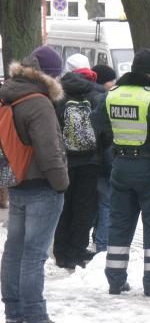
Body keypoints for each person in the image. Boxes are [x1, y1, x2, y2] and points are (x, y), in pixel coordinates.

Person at [92, 48, 150, 297]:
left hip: (120, 166)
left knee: (119, 223)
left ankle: (116, 281)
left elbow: (97, 123)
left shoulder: (112, 94)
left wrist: (117, 137)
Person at [0, 46, 69, 323]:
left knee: (14, 249)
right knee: (33, 255)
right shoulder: (38, 102)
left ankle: (14, 311)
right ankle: (35, 314)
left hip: (15, 181)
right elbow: (49, 149)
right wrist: (61, 183)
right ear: (50, 76)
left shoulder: (8, 94)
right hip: (41, 184)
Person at [53, 53, 101, 270]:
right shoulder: (95, 93)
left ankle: (61, 252)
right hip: (90, 160)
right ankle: (77, 251)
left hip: (65, 161)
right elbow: (103, 128)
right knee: (84, 208)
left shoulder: (56, 94)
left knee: (64, 206)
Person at [90, 64, 117, 253]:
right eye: (111, 80)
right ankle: (102, 245)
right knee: (106, 203)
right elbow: (106, 136)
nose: (114, 83)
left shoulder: (87, 94)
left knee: (95, 204)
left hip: (90, 162)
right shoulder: (103, 99)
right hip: (104, 162)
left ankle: (95, 239)